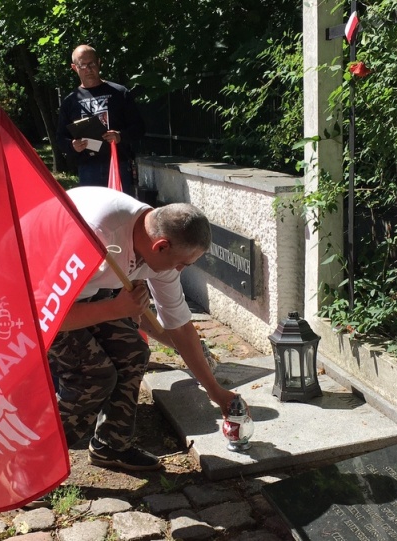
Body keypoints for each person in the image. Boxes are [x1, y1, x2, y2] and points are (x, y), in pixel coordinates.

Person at [50, 186, 237, 471]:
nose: (180, 271)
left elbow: (180, 327)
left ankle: (110, 447)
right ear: (161, 246)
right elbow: (49, 318)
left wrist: (214, 390)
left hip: (93, 288)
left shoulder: (159, 251)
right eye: (181, 264)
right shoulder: (97, 235)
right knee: (93, 375)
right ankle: (31, 463)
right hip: (45, 296)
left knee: (132, 351)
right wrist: (115, 310)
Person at [56, 45, 145, 195]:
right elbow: (60, 137)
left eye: (92, 64)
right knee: (93, 216)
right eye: (82, 65)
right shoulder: (70, 101)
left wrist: (120, 136)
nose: (88, 69)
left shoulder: (119, 93)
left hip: (118, 164)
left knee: (122, 213)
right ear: (74, 67)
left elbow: (139, 128)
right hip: (88, 169)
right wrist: (72, 145)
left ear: (99, 63)